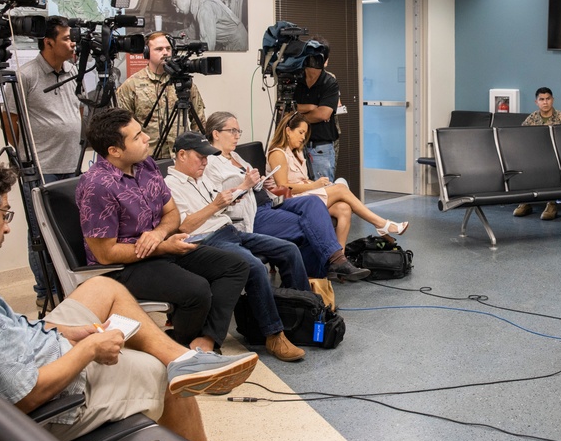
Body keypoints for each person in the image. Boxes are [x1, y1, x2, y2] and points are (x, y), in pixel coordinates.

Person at [0, 156, 257, 441]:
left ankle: (182, 358)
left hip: (21, 354)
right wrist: (88, 349)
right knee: (158, 372)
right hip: (50, 400)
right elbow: (25, 396)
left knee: (103, 289)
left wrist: (64, 334)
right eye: (4, 214)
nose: (7, 227)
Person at [77, 107, 249, 353]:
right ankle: (178, 348)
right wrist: (161, 246)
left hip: (160, 249)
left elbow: (171, 213)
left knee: (236, 266)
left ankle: (204, 341)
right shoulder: (97, 186)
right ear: (114, 151)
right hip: (123, 267)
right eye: (136, 137)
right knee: (197, 290)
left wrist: (158, 235)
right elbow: (106, 254)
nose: (147, 137)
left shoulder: (145, 165)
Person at [164, 131, 307, 362]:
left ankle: (303, 313)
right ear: (181, 155)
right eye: (200, 157)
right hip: (207, 239)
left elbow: (217, 207)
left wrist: (237, 195)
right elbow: (183, 227)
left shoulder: (201, 179)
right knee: (255, 267)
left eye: (206, 157)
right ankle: (274, 334)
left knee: (288, 249)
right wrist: (215, 205)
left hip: (229, 230)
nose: (204, 162)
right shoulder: (170, 186)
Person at [203, 111, 349, 279]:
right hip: (253, 214)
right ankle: (321, 275)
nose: (237, 136)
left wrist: (259, 181)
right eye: (232, 131)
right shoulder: (210, 163)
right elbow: (218, 200)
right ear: (216, 134)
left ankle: (334, 263)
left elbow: (252, 182)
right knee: (310, 227)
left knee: (313, 202)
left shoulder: (235, 156)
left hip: (268, 201)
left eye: (238, 131)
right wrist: (245, 185)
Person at [268, 112, 408, 279]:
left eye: (305, 133)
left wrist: (313, 183)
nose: (303, 137)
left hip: (303, 197)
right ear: (288, 130)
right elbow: (283, 186)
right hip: (286, 203)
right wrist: (314, 185)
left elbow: (299, 181)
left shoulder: (296, 153)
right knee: (341, 189)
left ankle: (338, 263)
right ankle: (381, 224)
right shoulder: (277, 153)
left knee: (344, 208)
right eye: (300, 132)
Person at [4, 15, 82, 308]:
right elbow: (9, 121)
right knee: (41, 231)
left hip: (71, 163)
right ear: (48, 42)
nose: (72, 43)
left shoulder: (73, 70)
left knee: (69, 227)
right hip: (41, 166)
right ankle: (44, 290)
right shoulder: (26, 75)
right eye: (66, 38)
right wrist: (25, 159)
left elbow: (79, 110)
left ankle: (68, 285)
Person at [118, 31, 206, 159]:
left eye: (168, 48)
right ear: (147, 52)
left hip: (182, 156)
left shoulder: (183, 82)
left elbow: (199, 118)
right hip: (148, 158)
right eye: (159, 49)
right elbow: (124, 125)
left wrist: (197, 149)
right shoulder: (132, 85)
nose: (165, 52)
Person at [513, 87, 561, 221]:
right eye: (542, 99)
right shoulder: (531, 119)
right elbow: (521, 138)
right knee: (524, 164)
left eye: (548, 99)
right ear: (536, 102)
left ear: (552, 100)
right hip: (534, 155)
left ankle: (551, 204)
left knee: (551, 166)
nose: (545, 102)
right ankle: (525, 202)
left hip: (556, 156)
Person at [293, 48, 340, 181]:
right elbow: (284, 110)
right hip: (296, 146)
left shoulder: (329, 82)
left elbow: (323, 114)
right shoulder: (296, 80)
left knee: (323, 190)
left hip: (320, 147)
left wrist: (296, 116)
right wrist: (310, 107)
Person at [167, 0, 248, 52]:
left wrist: (182, 45)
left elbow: (207, 47)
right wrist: (170, 35)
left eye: (175, 4)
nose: (177, 10)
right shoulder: (197, 7)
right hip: (229, 42)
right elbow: (190, 33)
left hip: (237, 43)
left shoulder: (204, 8)